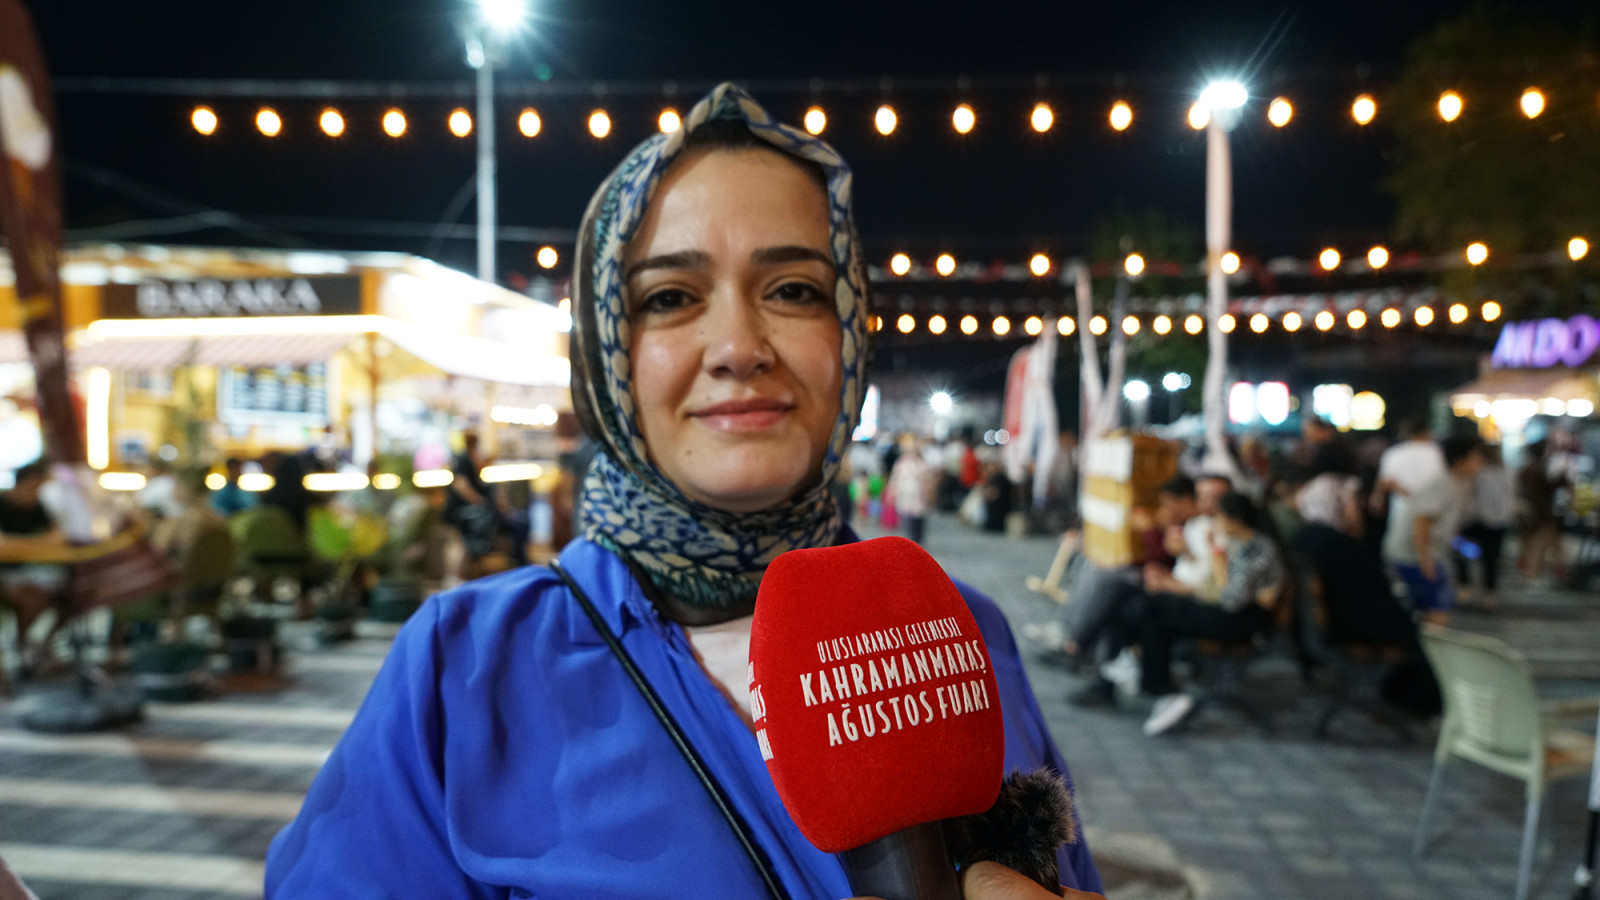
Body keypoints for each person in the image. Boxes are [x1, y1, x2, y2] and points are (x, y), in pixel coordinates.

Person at [265, 84, 1101, 898]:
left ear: (850, 331)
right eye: (669, 298)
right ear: (607, 352)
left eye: (794, 290)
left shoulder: (961, 628)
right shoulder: (463, 667)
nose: (738, 345)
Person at [1136, 491, 1288, 736]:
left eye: (1219, 517)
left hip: (1241, 622)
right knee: (1153, 612)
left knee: (1156, 615)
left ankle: (1161, 689)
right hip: (1226, 613)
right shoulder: (1238, 543)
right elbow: (1210, 591)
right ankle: (1159, 687)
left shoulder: (1257, 549)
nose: (1216, 524)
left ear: (1234, 520)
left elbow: (1231, 600)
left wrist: (1218, 564)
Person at [1385, 434, 1483, 624]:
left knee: (1428, 610)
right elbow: (1422, 521)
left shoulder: (1457, 482)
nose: (1480, 462)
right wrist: (1426, 561)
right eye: (1476, 457)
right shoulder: (1444, 483)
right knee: (1437, 611)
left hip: (1421, 554)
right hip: (1412, 555)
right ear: (1461, 460)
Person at [1456, 443, 1514, 609]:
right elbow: (1510, 494)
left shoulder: (1477, 472)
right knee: (1491, 559)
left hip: (1475, 520)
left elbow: (1467, 494)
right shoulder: (1507, 471)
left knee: (1461, 551)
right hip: (1499, 522)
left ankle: (1465, 589)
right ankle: (1489, 594)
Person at [1517, 438, 1566, 583]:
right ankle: (1533, 575)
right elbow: (1546, 490)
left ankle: (1537, 574)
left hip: (1535, 516)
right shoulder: (1536, 471)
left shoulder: (1528, 470)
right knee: (1539, 548)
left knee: (1542, 546)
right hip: (1541, 516)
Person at [887, 433, 935, 544]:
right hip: (904, 495)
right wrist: (892, 492)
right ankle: (910, 542)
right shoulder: (900, 463)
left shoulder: (921, 463)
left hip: (919, 495)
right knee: (907, 520)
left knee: (918, 519)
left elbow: (928, 478)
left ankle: (918, 541)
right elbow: (894, 478)